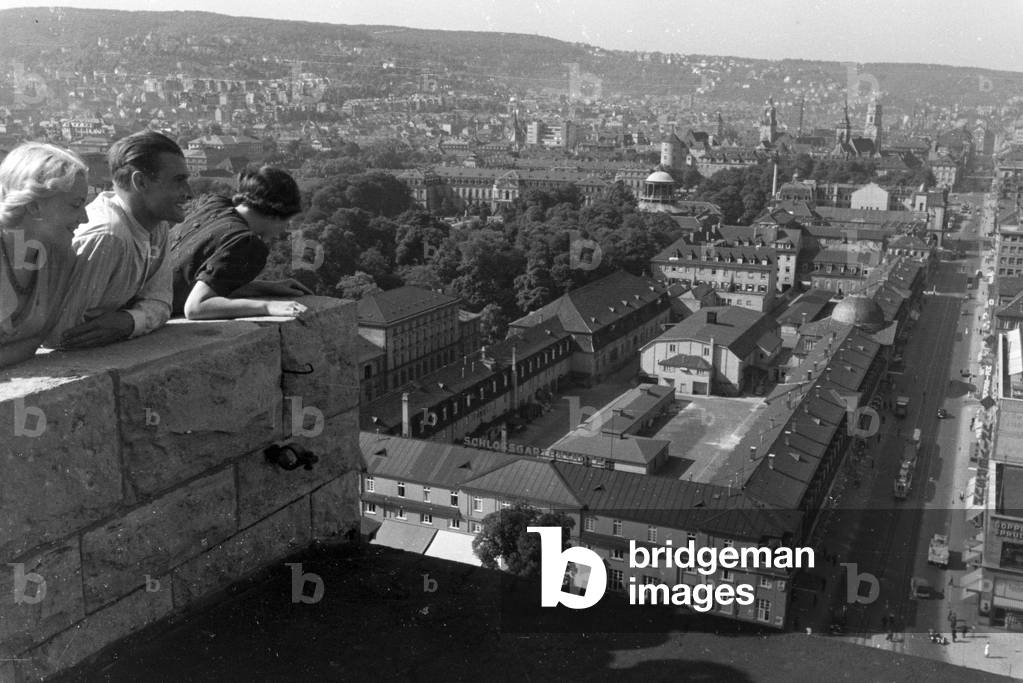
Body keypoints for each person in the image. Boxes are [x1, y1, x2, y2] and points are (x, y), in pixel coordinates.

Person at [47, 130, 191, 349]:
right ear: (141, 182)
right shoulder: (109, 237)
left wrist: (129, 321)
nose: (188, 192)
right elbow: (64, 333)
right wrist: (138, 317)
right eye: (178, 181)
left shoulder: (156, 226)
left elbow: (161, 301)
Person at [169, 165, 310, 319]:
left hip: (142, 293)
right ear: (275, 215)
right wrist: (267, 306)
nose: (284, 229)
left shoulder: (213, 205)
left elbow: (204, 281)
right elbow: (196, 307)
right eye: (287, 222)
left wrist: (266, 288)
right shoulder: (247, 244)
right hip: (154, 308)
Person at [0, 143, 89, 367]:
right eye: (76, 205)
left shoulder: (60, 258)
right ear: (33, 207)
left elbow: (35, 342)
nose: (85, 218)